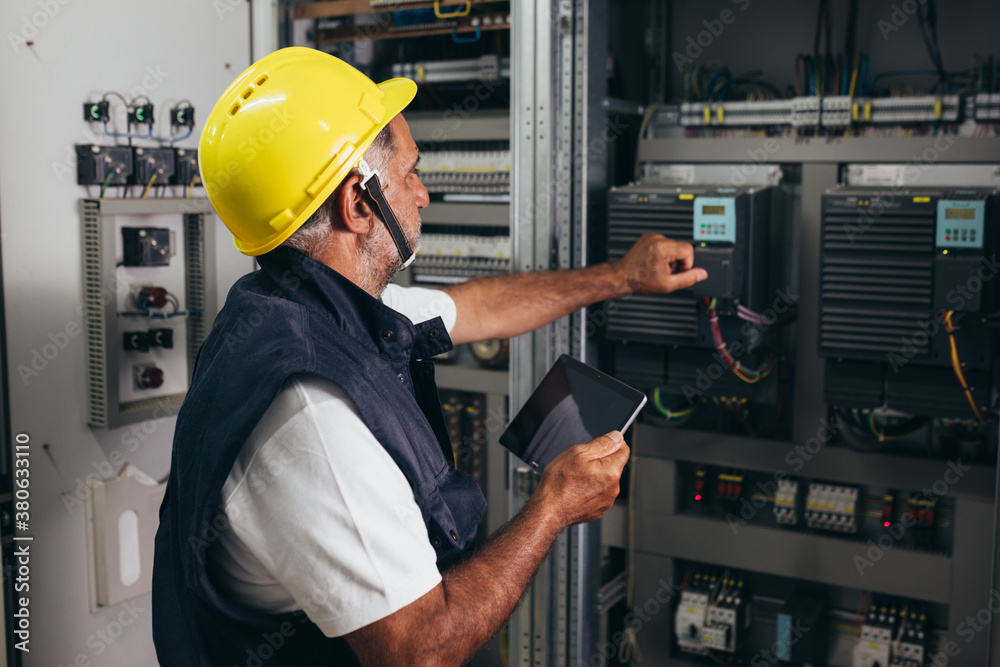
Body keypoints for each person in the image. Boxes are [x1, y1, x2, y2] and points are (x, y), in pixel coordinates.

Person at [151, 47, 707, 667]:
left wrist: (622, 277)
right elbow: (420, 653)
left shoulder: (295, 306)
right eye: (409, 172)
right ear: (358, 205)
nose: (422, 193)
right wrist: (553, 506)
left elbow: (478, 308)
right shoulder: (311, 417)